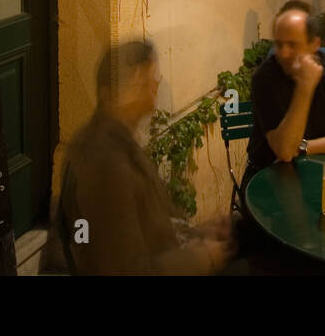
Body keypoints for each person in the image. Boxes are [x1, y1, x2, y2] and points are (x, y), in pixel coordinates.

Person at [47, 39, 233, 275]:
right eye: (148, 77)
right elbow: (127, 270)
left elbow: (150, 226)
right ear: (129, 85)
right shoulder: (104, 162)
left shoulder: (122, 138)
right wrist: (202, 257)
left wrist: (196, 234)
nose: (156, 83)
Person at [244, 2, 325, 187]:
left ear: (314, 44)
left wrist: (303, 147)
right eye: (279, 44)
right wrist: (305, 86)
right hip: (267, 175)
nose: (284, 53)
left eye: (292, 45)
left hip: (318, 168)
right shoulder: (265, 77)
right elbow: (284, 151)